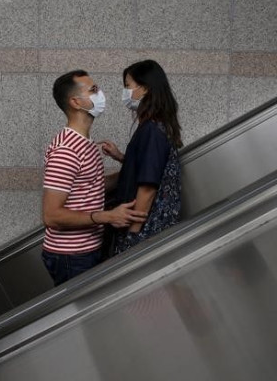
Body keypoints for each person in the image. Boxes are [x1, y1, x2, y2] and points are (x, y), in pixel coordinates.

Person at [42, 69, 148, 286]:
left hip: (87, 250)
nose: (101, 94)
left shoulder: (85, 143)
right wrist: (106, 216)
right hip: (71, 257)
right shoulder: (66, 150)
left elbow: (93, 186)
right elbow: (51, 216)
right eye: (93, 90)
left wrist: (130, 169)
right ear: (76, 102)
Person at [101, 59, 183, 255]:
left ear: (145, 89)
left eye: (128, 86)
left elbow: (148, 188)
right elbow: (150, 165)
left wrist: (133, 235)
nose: (125, 92)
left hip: (146, 229)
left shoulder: (152, 130)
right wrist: (121, 156)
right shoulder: (156, 126)